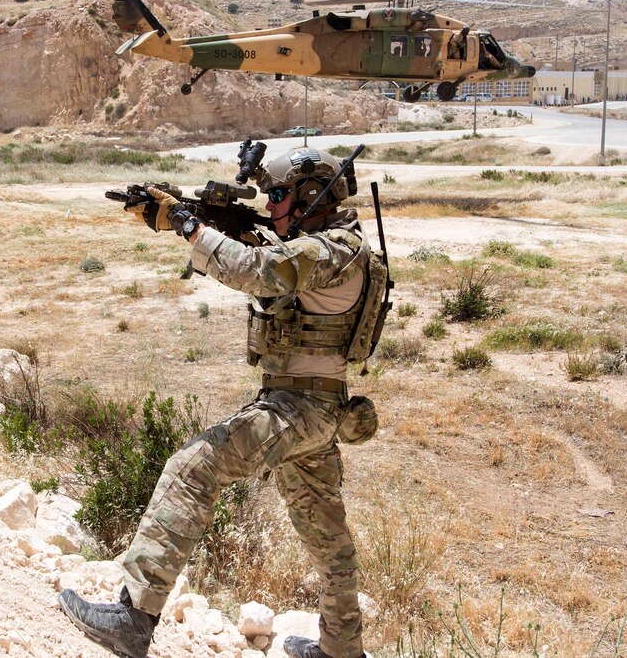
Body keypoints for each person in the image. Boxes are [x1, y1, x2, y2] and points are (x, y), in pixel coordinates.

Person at [59, 148, 386, 658]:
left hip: (298, 410)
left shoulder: (334, 249)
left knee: (192, 469)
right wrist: (198, 225)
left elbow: (260, 272)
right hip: (315, 412)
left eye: (279, 195)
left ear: (311, 196)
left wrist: (190, 227)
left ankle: (132, 617)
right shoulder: (321, 246)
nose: (271, 205)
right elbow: (263, 270)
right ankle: (342, 650)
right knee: (328, 538)